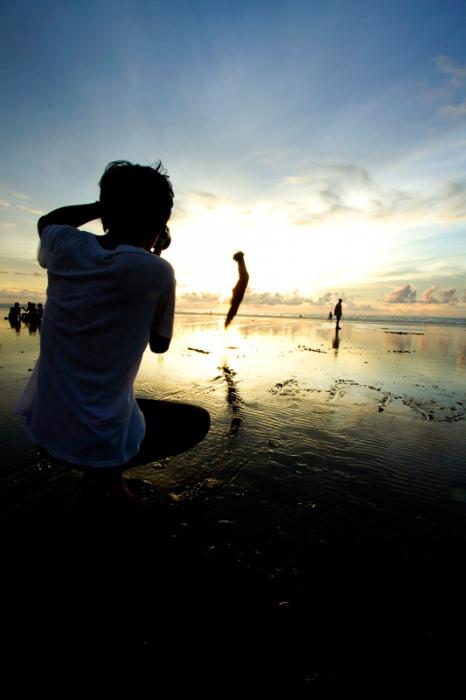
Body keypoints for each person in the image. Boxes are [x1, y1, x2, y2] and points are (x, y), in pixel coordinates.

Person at [16, 160, 210, 501]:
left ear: (105, 211)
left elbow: (47, 221)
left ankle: (104, 476)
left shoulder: (65, 246)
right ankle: (107, 482)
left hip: (45, 425)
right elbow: (160, 344)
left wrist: (103, 207)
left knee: (114, 400)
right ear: (161, 223)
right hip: (96, 438)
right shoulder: (158, 270)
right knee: (194, 422)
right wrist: (154, 254)